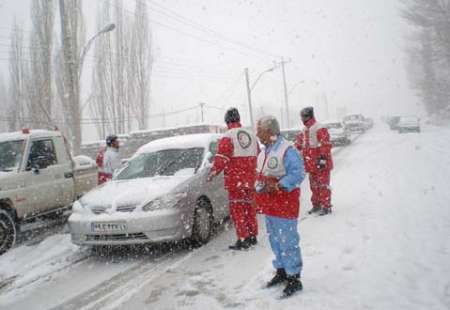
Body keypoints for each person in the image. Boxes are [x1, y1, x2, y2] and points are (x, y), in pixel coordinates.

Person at [255, 115, 305, 298]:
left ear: (269, 131)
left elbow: (298, 173)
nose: (257, 134)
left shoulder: (287, 150)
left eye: (259, 130)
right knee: (275, 240)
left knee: (288, 240)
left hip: (284, 204)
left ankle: (294, 277)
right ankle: (282, 270)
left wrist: (279, 185)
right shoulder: (265, 151)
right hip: (269, 206)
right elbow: (261, 175)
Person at [207, 107, 259, 250]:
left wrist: (213, 172)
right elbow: (258, 154)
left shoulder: (228, 136)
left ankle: (243, 239)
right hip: (250, 179)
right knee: (249, 208)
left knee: (238, 211)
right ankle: (253, 236)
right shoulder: (251, 135)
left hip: (236, 181)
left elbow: (221, 158)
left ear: (227, 121)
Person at [295, 107, 334, 216]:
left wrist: (322, 159)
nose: (302, 118)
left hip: (321, 164)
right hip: (310, 164)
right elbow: (298, 145)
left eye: (304, 116)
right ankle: (316, 205)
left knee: (323, 185)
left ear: (309, 116)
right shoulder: (303, 130)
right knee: (314, 186)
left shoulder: (319, 128)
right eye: (301, 116)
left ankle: (326, 206)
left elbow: (325, 144)